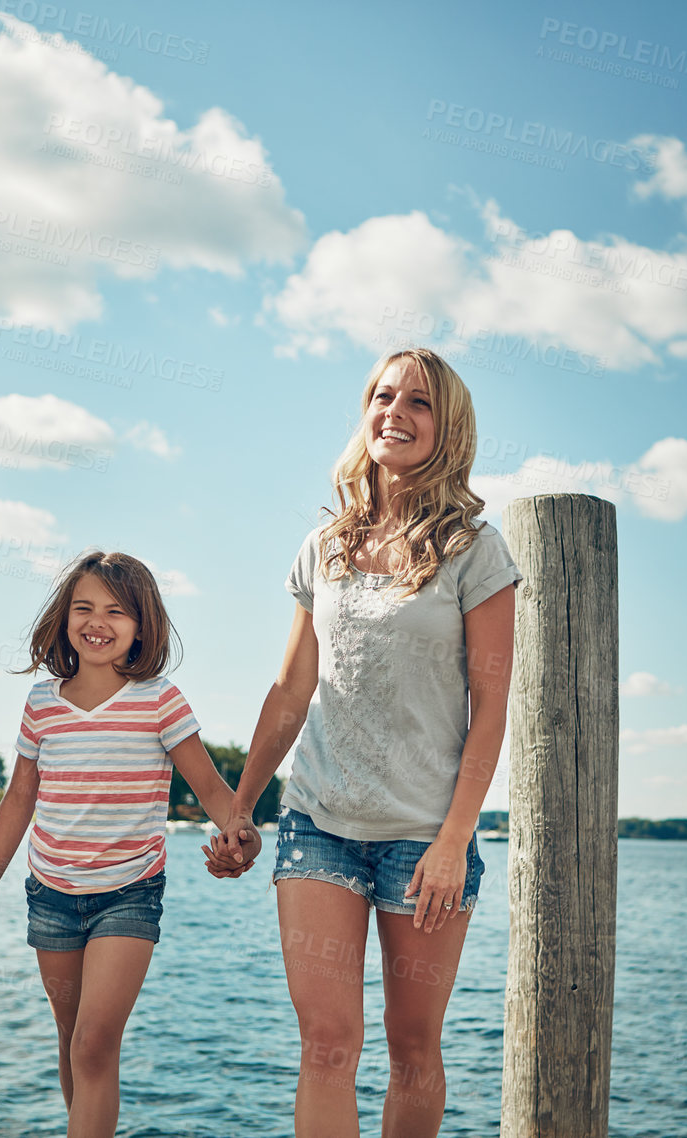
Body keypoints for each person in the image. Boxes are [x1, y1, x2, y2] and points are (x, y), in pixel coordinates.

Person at [209, 348, 520, 1137]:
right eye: (384, 397)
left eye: (419, 403)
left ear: (446, 428)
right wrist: (238, 809)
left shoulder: (476, 552)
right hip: (319, 824)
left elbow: (491, 707)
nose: (397, 413)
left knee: (413, 1048)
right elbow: (289, 694)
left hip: (425, 841)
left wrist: (453, 841)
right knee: (326, 1045)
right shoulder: (326, 548)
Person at [0, 550, 263, 1138]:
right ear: (65, 618)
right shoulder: (42, 704)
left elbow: (214, 793)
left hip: (129, 893)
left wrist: (241, 843)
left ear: (141, 626)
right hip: (50, 895)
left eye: (116, 612)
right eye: (84, 608)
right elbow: (18, 800)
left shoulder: (159, 699)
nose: (98, 622)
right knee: (74, 1045)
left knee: (96, 1043)